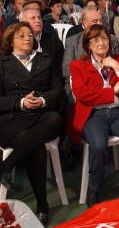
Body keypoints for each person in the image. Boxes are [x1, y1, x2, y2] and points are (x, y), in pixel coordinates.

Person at [67, 24, 119, 207]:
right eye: (95, 40)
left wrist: (117, 67)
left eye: (104, 38)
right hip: (93, 116)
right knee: (98, 144)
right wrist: (113, 92)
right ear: (88, 44)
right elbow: (82, 94)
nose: (101, 43)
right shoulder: (77, 65)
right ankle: (94, 188)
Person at [0, 22, 64, 226]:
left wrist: (42, 100)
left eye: (30, 35)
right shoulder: (1, 63)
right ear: (10, 41)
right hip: (12, 118)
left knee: (55, 118)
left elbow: (58, 90)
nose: (28, 38)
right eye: (21, 36)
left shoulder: (46, 59)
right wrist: (21, 102)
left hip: (41, 115)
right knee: (36, 146)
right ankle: (43, 207)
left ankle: (6, 166)